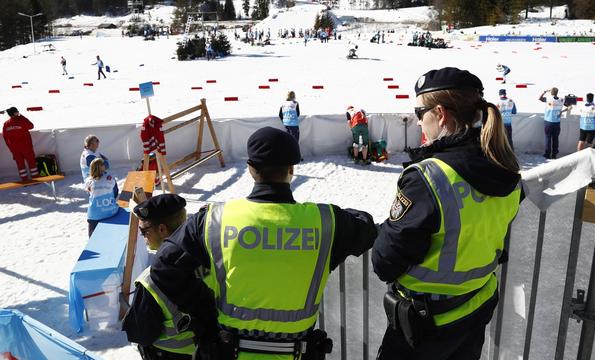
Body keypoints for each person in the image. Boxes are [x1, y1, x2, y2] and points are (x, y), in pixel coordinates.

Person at [150, 126, 377, 359]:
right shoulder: (326, 222)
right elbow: (367, 229)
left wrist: (205, 311)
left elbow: (163, 266)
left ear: (251, 169)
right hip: (295, 352)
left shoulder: (214, 220)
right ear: (291, 169)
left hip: (230, 351)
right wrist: (338, 215)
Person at [373, 67, 522, 359]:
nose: (418, 122)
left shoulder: (429, 177)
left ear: (440, 114)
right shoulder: (504, 166)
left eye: (419, 113)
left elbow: (384, 262)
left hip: (426, 325)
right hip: (474, 309)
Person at [122, 194, 196, 360]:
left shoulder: (150, 280)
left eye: (144, 231)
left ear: (162, 230)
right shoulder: (209, 258)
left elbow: (141, 334)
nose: (143, 236)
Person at [85, 158, 119, 237]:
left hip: (94, 215)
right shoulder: (109, 178)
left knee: (93, 238)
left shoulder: (88, 181)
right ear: (102, 167)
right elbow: (115, 192)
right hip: (110, 211)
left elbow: (89, 192)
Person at [2, 107, 39, 180]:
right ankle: (35, 178)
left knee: (20, 165)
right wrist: (22, 116)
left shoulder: (6, 124)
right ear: (12, 114)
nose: (18, 113)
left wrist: (11, 149)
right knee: (31, 163)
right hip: (26, 147)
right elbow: (31, 126)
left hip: (15, 149)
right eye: (16, 112)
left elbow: (5, 138)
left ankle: (24, 180)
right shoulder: (21, 120)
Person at [538, 87, 569, 159]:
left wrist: (545, 91)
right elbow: (570, 106)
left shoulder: (548, 99)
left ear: (551, 92)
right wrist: (562, 111)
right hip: (557, 122)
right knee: (555, 139)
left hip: (548, 121)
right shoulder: (561, 100)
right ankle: (554, 154)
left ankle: (547, 154)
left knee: (548, 138)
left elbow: (539, 98)